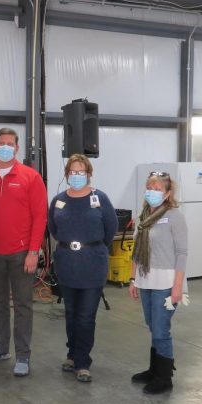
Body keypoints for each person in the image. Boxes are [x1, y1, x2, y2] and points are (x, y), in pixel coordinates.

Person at [0, 128, 48, 377]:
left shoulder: (30, 177)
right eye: (1, 143)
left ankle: (23, 355)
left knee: (22, 304)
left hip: (21, 254)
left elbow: (40, 216)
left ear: (17, 149)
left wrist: (33, 251)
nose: (5, 147)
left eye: (10, 144)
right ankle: (0, 348)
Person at [48, 154, 117, 383]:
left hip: (93, 265)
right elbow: (54, 228)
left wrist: (92, 248)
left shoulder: (100, 199)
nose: (76, 176)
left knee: (86, 317)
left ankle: (83, 362)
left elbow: (110, 230)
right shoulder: (58, 200)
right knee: (71, 314)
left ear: (88, 174)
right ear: (67, 174)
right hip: (67, 265)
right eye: (72, 172)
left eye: (81, 172)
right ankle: (72, 353)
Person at [129, 171, 187, 395]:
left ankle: (164, 377)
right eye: (150, 188)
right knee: (152, 325)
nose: (153, 192)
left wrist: (178, 286)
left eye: (158, 189)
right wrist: (133, 279)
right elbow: (136, 251)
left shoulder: (174, 216)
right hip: (145, 279)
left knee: (161, 329)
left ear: (168, 193)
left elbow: (182, 253)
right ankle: (154, 370)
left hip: (166, 281)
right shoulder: (143, 215)